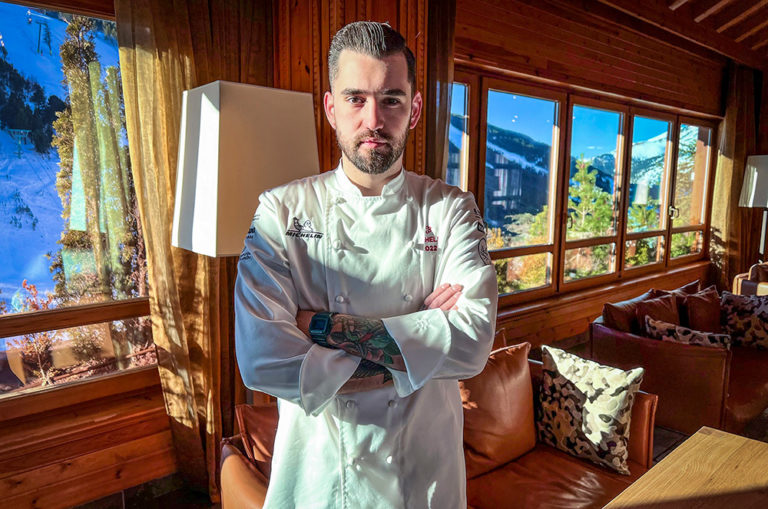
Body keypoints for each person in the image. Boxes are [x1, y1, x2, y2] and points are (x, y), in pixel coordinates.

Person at [235, 21, 498, 509]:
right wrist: (422, 337)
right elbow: (260, 360)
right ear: (331, 108)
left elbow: (472, 345)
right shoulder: (280, 211)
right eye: (355, 98)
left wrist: (317, 326)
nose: (373, 119)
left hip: (422, 480)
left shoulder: (451, 209)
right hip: (319, 482)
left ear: (414, 110)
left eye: (391, 99)